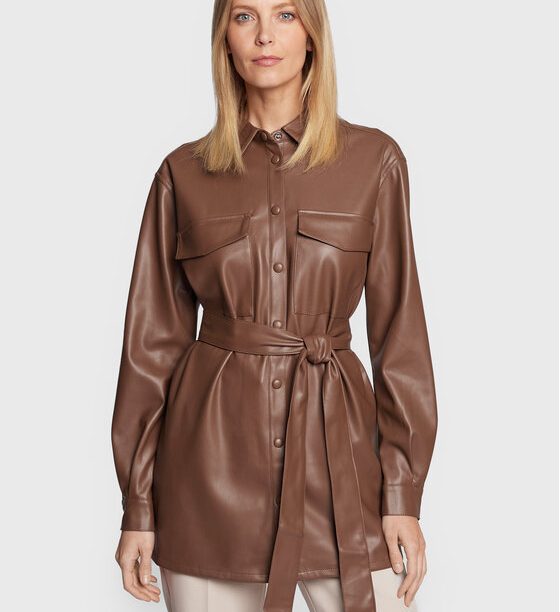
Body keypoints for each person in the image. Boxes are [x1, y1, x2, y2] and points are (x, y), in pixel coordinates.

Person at [111, 0, 438, 610]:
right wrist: (138, 505)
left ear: (312, 34)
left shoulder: (375, 161)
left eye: (285, 14)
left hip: (341, 475)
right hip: (207, 481)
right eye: (244, 16)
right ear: (224, 40)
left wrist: (401, 494)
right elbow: (150, 353)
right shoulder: (183, 173)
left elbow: (401, 336)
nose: (265, 35)